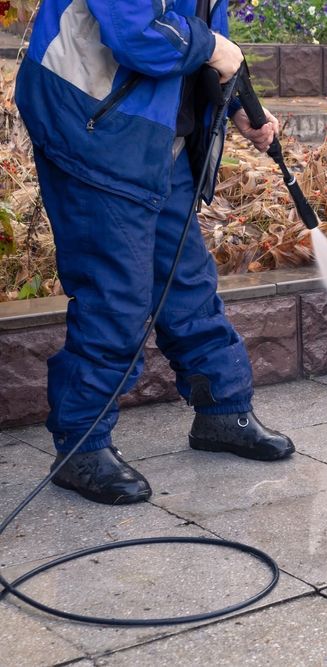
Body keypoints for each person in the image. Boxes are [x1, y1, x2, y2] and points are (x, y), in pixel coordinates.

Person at [14, 0, 293, 505]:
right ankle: (82, 445)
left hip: (156, 136)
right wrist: (215, 49)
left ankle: (222, 411)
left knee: (186, 282)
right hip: (94, 130)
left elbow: (206, 28)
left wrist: (235, 104)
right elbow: (136, 33)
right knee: (115, 295)